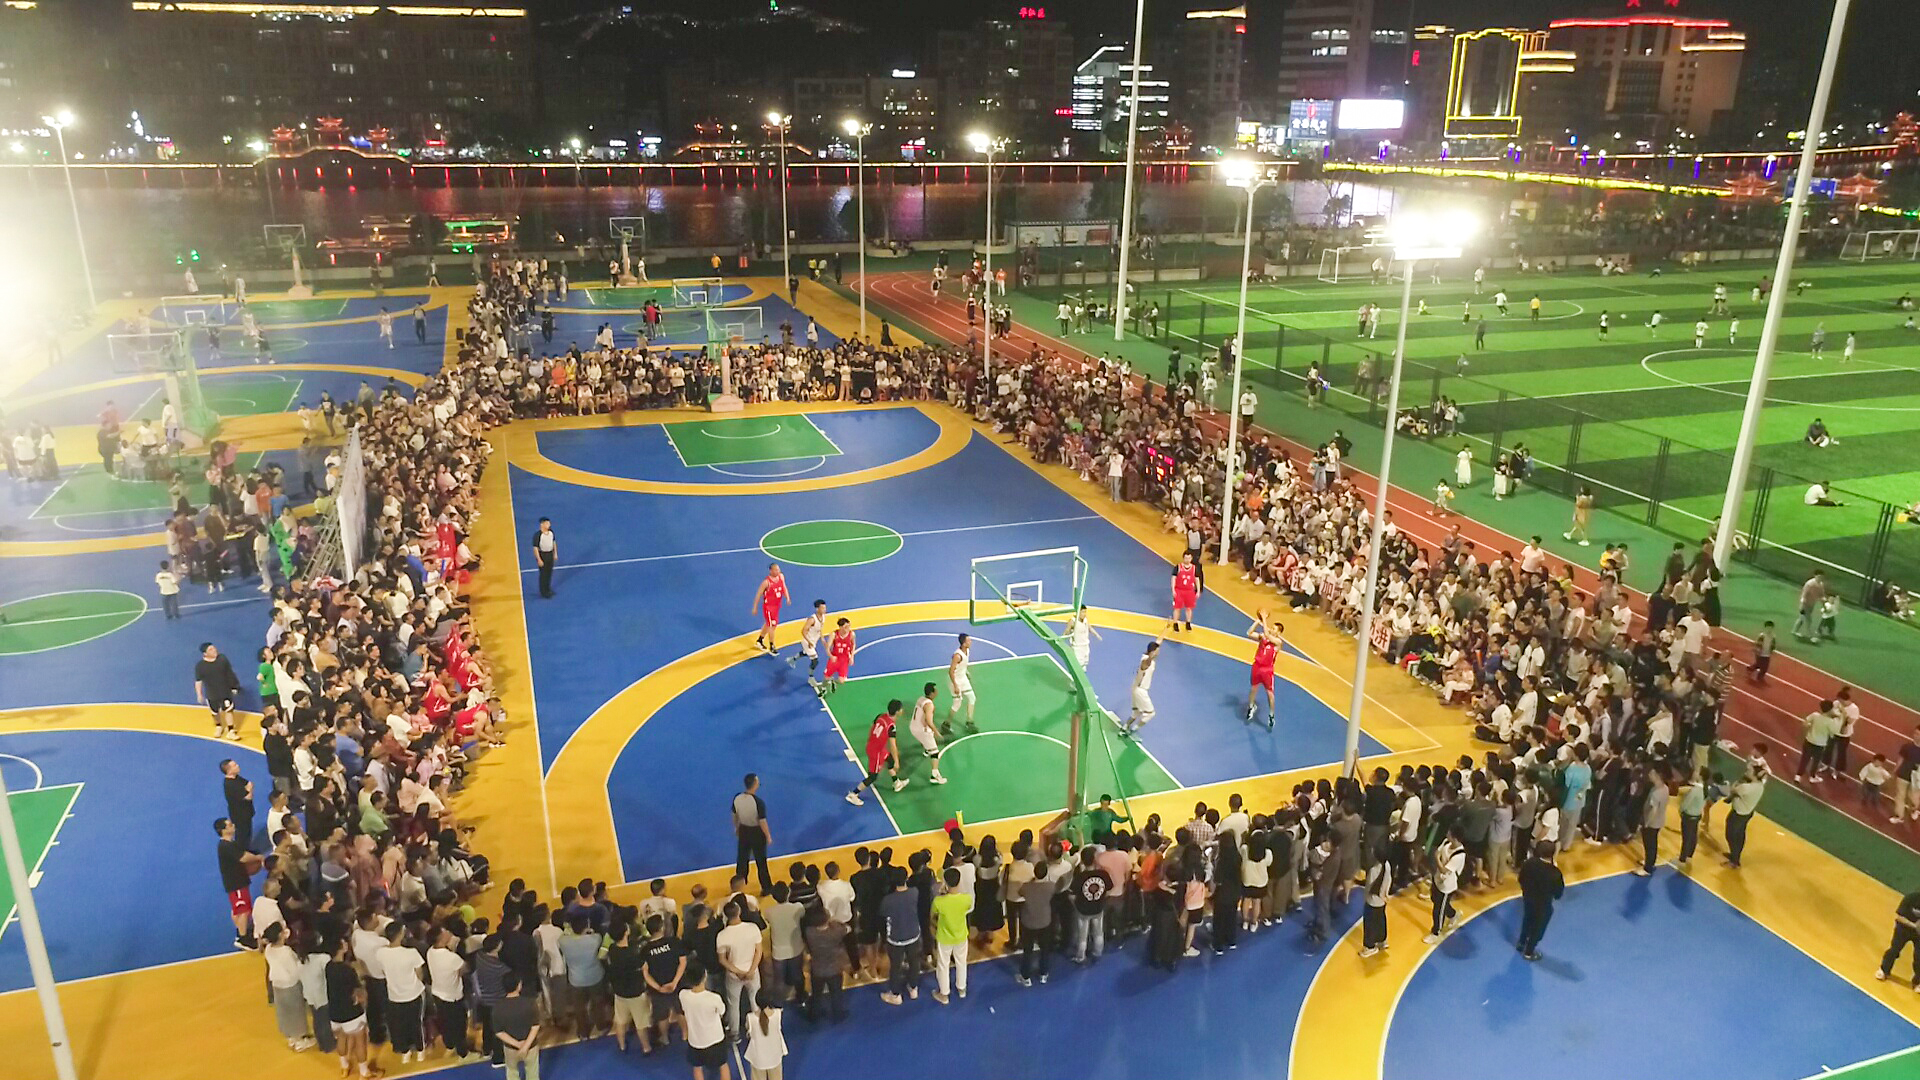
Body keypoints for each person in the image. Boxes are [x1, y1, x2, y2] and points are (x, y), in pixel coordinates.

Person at [846, 700, 908, 805]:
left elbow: (873, 727)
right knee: (873, 776)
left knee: (889, 760)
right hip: (876, 752)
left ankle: (896, 783)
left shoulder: (881, 716)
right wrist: (897, 762)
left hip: (874, 746)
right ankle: (853, 794)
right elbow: (893, 745)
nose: (902, 710)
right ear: (897, 712)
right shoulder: (891, 726)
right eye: (901, 709)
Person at [678, 966, 731, 1080]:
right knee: (723, 1065)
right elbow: (722, 1011)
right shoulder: (714, 998)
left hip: (695, 1041)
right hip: (715, 1039)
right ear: (704, 977)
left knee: (697, 1068)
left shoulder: (683, 995)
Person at [1515, 842, 1565, 961]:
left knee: (1527, 919)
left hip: (1528, 898)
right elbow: (1558, 893)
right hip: (1543, 904)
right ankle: (1529, 952)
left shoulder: (1529, 863)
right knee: (1538, 928)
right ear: (1552, 854)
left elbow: (1521, 879)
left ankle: (1521, 942)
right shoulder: (1555, 873)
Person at [878, 867, 921, 1004]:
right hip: (913, 934)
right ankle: (913, 988)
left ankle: (896, 994)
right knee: (914, 962)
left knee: (896, 966)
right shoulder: (915, 892)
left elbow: (883, 913)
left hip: (896, 938)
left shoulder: (888, 900)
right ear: (906, 878)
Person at [930, 867, 972, 1003]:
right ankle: (961, 988)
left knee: (943, 965)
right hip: (961, 935)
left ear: (945, 883)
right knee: (961, 962)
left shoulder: (939, 901)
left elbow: (932, 915)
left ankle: (944, 994)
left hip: (944, 937)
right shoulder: (966, 899)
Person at [731, 773, 774, 892]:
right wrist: (768, 836)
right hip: (756, 833)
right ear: (755, 784)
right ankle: (766, 887)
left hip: (743, 831)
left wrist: (736, 828)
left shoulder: (737, 798)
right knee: (761, 862)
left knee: (742, 860)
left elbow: (734, 815)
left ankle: (738, 887)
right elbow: (762, 822)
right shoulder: (758, 802)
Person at [495, 975, 542, 1080]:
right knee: (532, 1071)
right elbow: (535, 1026)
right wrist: (525, 1046)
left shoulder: (498, 1007)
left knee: (512, 1072)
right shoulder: (530, 1003)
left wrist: (517, 1044)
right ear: (519, 985)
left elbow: (499, 1032)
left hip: (510, 1048)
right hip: (530, 1046)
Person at [1016, 859, 1054, 986]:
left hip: (1029, 922)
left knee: (1028, 950)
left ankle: (1025, 976)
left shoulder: (1026, 887)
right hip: (1044, 922)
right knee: (1045, 949)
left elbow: (1020, 892)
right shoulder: (1051, 886)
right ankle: (1043, 974)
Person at [196, 642, 243, 742]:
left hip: (225, 691)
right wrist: (199, 694)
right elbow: (198, 681)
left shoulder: (222, 659)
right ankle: (218, 726)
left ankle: (231, 730)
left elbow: (229, 673)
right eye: (211, 649)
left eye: (214, 648)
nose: (214, 650)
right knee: (215, 712)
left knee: (228, 710)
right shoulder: (200, 666)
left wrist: (234, 686)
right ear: (205, 654)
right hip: (212, 694)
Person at [1245, 614, 1282, 729]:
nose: (1271, 629)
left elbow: (1267, 634)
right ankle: (1251, 707)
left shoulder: (1278, 642)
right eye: (1272, 627)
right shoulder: (1263, 638)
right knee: (1253, 688)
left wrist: (1264, 619)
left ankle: (1271, 715)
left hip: (1267, 670)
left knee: (1270, 694)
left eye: (1274, 629)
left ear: (1278, 633)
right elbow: (1249, 633)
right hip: (1257, 666)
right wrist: (1258, 621)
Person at [744, 987, 788, 1080]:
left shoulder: (750, 1018)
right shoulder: (778, 1014)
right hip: (775, 1057)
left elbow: (748, 1031)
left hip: (758, 1059)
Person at [1125, 638, 1163, 736]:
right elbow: (1146, 664)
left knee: (1136, 711)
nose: (1158, 653)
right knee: (1150, 713)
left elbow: (1158, 641)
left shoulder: (1147, 656)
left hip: (1135, 687)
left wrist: (1165, 631)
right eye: (1157, 651)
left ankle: (1125, 727)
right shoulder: (1146, 661)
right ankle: (1134, 729)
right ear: (1152, 652)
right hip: (1141, 690)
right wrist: (1151, 657)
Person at [751, 562, 789, 655]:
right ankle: (772, 646)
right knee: (772, 625)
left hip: (777, 606)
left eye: (778, 569)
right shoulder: (766, 582)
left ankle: (760, 640)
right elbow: (758, 594)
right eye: (776, 570)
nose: (778, 571)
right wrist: (755, 607)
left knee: (770, 624)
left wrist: (787, 597)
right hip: (769, 607)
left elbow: (784, 586)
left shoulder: (781, 577)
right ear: (771, 571)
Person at [945, 634, 978, 735]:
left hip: (962, 678)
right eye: (969, 640)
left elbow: (962, 665)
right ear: (963, 643)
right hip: (955, 680)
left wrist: (966, 672)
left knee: (972, 698)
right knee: (957, 703)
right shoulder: (957, 656)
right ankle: (946, 724)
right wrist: (955, 685)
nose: (971, 642)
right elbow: (951, 671)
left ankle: (969, 722)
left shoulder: (967, 651)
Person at [817, 618, 854, 698]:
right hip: (835, 659)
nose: (848, 628)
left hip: (844, 660)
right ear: (840, 627)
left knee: (841, 681)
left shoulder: (851, 634)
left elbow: (853, 644)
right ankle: (823, 688)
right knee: (826, 677)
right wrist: (831, 656)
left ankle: (833, 681)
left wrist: (852, 656)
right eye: (846, 627)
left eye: (849, 626)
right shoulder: (834, 634)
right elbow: (827, 648)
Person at [1170, 551, 1203, 632]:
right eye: (1186, 558)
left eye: (1189, 558)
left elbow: (1197, 579)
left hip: (1189, 591)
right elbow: (1173, 578)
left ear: (1191, 558)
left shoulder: (1194, 568)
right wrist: (1173, 589)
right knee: (1177, 608)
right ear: (1183, 558)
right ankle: (1175, 623)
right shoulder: (1178, 567)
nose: (1187, 560)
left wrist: (1198, 590)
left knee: (1189, 608)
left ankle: (1188, 623)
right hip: (1179, 590)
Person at [530, 517, 558, 599]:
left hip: (550, 554)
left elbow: (554, 543)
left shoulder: (551, 532)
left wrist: (555, 553)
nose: (549, 525)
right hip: (543, 555)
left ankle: (548, 589)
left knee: (549, 573)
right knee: (543, 574)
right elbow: (535, 548)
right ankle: (543, 591)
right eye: (547, 523)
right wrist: (539, 559)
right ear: (542, 524)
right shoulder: (538, 535)